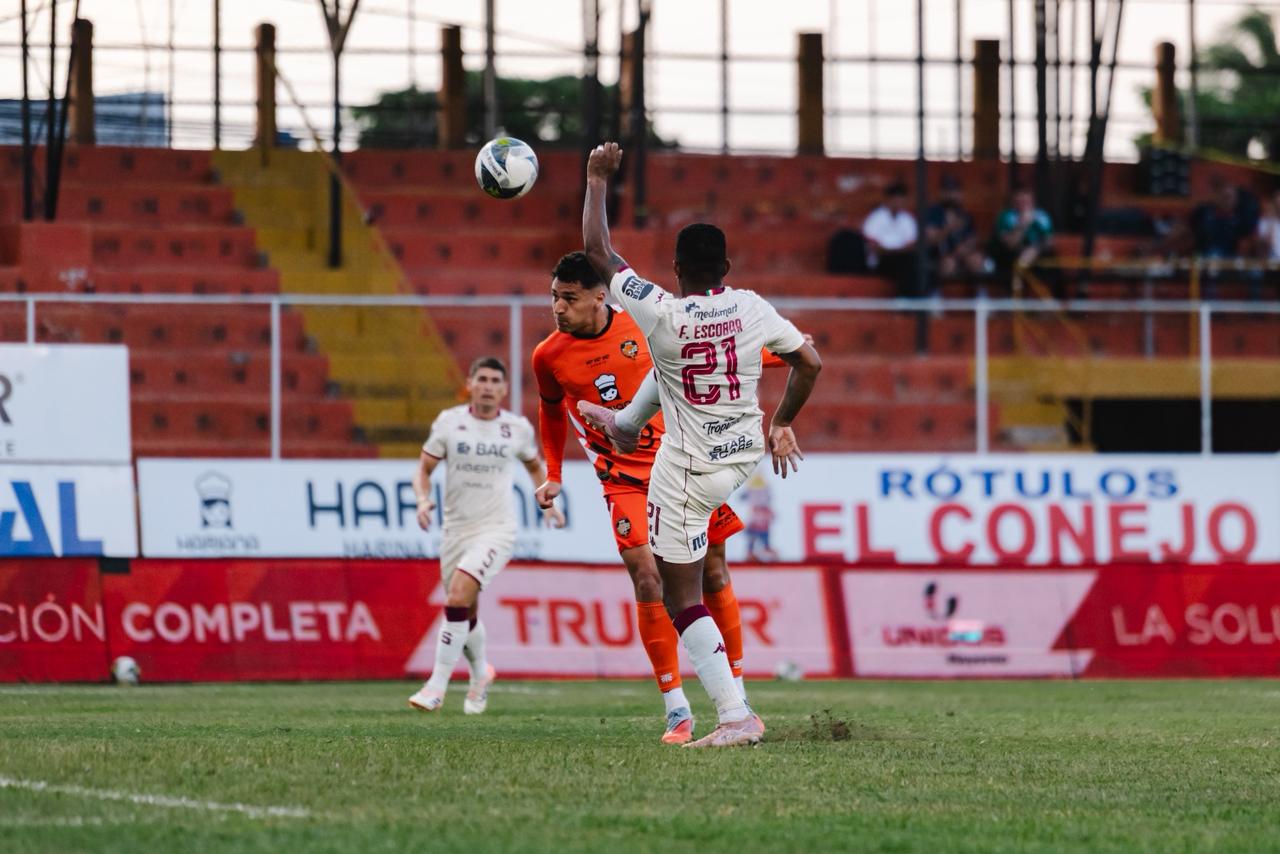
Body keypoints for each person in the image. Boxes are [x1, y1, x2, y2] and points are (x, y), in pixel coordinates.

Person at [579, 142, 822, 748]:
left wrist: (596, 180)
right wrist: (782, 421)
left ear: (676, 268)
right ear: (728, 268)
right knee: (670, 374)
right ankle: (628, 424)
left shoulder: (661, 310)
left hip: (685, 468)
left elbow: (597, 253)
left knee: (676, 590)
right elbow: (810, 361)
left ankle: (736, 716)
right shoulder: (751, 307)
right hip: (739, 455)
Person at [531, 251, 791, 744]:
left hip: (683, 466)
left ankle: (735, 696)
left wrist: (786, 354)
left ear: (598, 296)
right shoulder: (548, 355)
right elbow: (550, 413)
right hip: (621, 478)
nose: (559, 308)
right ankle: (676, 706)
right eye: (554, 297)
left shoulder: (646, 324)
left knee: (712, 571)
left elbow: (717, 349)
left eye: (569, 298)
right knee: (648, 577)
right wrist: (553, 473)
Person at [408, 356, 565, 714]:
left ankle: (436, 686)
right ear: (470, 383)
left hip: (497, 529)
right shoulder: (449, 423)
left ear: (505, 389)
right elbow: (424, 469)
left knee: (459, 594)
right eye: (483, 379)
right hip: (455, 530)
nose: (489, 386)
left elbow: (534, 465)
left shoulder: (516, 428)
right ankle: (481, 673)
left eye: (496, 380)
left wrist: (548, 502)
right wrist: (422, 500)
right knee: (464, 607)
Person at [861, 181, 922, 297]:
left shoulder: (908, 219)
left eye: (901, 199)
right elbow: (874, 248)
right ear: (887, 200)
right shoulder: (875, 218)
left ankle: (912, 301)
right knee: (906, 262)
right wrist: (896, 252)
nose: (898, 203)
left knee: (916, 264)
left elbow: (912, 246)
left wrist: (897, 252)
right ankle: (905, 300)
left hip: (904, 259)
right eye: (895, 199)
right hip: (881, 262)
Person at [925, 175, 987, 279]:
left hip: (961, 254)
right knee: (949, 263)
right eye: (947, 191)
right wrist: (949, 228)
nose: (951, 195)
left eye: (954, 191)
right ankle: (938, 293)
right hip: (938, 255)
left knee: (976, 259)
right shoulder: (933, 213)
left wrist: (965, 248)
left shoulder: (963, 214)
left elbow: (973, 238)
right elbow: (931, 239)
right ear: (941, 193)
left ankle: (980, 292)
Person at [991, 187, 1054, 278]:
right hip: (1010, 255)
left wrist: (1035, 248)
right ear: (1014, 202)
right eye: (1021, 202)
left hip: (1039, 255)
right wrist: (1023, 224)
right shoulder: (1006, 216)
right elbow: (1010, 244)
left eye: (1027, 202)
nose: (1024, 206)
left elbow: (1049, 242)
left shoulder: (1042, 217)